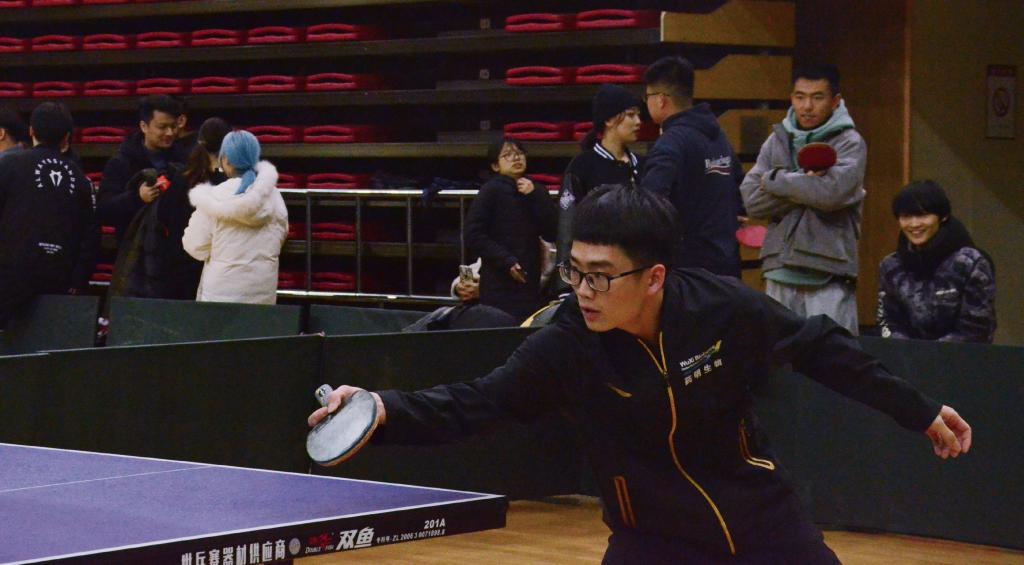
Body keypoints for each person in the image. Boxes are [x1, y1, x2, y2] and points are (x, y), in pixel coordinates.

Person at [310, 185, 972, 564]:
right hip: (652, 539)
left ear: (654, 276)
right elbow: (477, 403)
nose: (583, 290)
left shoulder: (720, 309)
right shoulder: (567, 344)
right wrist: (382, 408)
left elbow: (823, 348)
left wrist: (917, 409)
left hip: (760, 518)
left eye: (601, 276)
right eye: (574, 271)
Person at [740, 64, 865, 334]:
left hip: (829, 274)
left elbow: (830, 194)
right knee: (779, 356)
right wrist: (806, 184)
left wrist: (775, 181)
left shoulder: (850, 143)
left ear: (835, 101)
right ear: (791, 98)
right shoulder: (776, 140)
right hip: (778, 269)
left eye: (817, 97)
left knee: (833, 357)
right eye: (800, 97)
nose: (807, 106)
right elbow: (751, 200)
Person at [640, 56, 744, 278]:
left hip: (688, 272)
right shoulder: (719, 137)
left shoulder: (670, 143)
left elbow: (650, 206)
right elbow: (740, 193)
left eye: (647, 97)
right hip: (728, 267)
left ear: (660, 99)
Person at [110, 117, 231, 300]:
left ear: (200, 142)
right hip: (214, 271)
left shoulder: (183, 178)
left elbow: (164, 219)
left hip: (176, 271)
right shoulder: (230, 185)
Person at [0, 102, 99, 325]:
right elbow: (91, 236)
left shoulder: (8, 164)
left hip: (10, 277)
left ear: (31, 131)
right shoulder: (81, 179)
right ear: (66, 137)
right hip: (59, 281)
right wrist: (77, 281)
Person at [878, 180, 996, 342]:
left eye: (922, 215)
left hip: (960, 356)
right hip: (905, 355)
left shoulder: (970, 263)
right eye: (906, 216)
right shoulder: (890, 265)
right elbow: (888, 322)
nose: (914, 224)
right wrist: (906, 351)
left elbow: (976, 329)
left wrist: (929, 354)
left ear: (943, 216)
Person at [182, 130, 288, 304]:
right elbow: (281, 236)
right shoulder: (274, 195)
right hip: (262, 292)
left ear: (226, 160)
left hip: (220, 295)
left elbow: (194, 246)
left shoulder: (214, 197)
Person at [464, 138, 558, 321]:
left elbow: (551, 231)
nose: (516, 158)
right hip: (498, 276)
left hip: (529, 277)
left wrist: (536, 196)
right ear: (495, 166)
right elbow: (473, 234)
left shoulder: (536, 190)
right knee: (498, 324)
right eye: (507, 155)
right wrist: (505, 260)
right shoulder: (490, 191)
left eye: (519, 153)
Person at [557, 84, 645, 266]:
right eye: (631, 115)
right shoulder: (582, 166)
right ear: (609, 120)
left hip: (638, 264)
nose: (638, 121)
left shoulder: (643, 164)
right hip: (598, 266)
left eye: (638, 115)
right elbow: (567, 226)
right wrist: (565, 275)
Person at [97, 95, 190, 242]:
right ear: (144, 126)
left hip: (178, 247)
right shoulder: (120, 163)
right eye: (162, 127)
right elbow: (104, 209)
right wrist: (138, 197)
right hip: (136, 248)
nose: (170, 133)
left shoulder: (185, 158)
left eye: (173, 126)